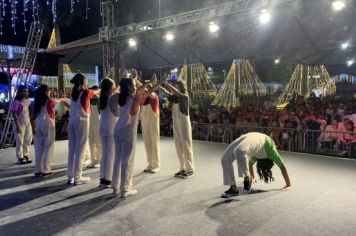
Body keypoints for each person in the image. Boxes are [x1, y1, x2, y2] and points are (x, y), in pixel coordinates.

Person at [221, 132, 291, 198]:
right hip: (261, 139)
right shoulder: (271, 151)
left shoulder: (258, 154)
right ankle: (236, 187)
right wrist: (288, 184)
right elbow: (282, 167)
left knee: (233, 154)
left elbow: (250, 164)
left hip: (253, 136)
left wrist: (288, 185)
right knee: (226, 158)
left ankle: (237, 185)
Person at [66, 73, 100, 185]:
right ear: (83, 82)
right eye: (86, 81)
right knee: (80, 149)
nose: (87, 83)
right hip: (82, 121)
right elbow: (96, 91)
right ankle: (78, 176)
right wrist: (101, 87)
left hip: (72, 122)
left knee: (72, 149)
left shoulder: (73, 94)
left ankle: (70, 175)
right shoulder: (85, 92)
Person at [159, 80, 195, 179]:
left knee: (186, 145)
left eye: (177, 86)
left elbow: (177, 93)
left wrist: (167, 84)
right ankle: (182, 167)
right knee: (178, 145)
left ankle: (190, 169)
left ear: (181, 87)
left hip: (184, 123)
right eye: (175, 86)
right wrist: (157, 85)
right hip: (176, 122)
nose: (175, 88)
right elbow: (166, 92)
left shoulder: (184, 96)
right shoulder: (175, 99)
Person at [31, 84, 67, 177]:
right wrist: (63, 99)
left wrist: (33, 128)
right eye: (49, 91)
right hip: (48, 125)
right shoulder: (49, 101)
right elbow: (57, 101)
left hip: (37, 125)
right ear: (46, 92)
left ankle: (37, 170)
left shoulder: (35, 103)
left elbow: (31, 116)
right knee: (49, 147)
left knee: (38, 148)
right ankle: (46, 170)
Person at [99, 79, 118, 188]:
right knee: (111, 153)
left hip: (103, 127)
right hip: (111, 127)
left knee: (105, 153)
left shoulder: (103, 97)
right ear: (110, 87)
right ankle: (108, 178)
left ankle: (103, 177)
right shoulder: (112, 97)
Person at [141, 73, 160, 173]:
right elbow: (142, 92)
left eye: (149, 86)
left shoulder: (154, 95)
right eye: (146, 86)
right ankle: (150, 163)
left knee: (154, 141)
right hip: (144, 118)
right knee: (147, 141)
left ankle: (156, 164)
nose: (147, 87)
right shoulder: (143, 96)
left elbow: (149, 92)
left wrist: (153, 83)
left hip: (152, 117)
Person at [11, 85, 33, 164]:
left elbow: (29, 112)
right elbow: (14, 113)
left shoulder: (28, 101)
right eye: (24, 91)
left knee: (28, 138)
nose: (26, 93)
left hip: (27, 122)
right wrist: (17, 126)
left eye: (27, 91)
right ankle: (20, 157)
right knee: (20, 140)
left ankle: (26, 155)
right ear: (20, 92)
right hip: (19, 122)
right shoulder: (16, 102)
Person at [87, 85, 102, 168]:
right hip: (90, 122)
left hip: (98, 122)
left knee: (99, 142)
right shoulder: (89, 100)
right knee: (91, 142)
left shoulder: (100, 99)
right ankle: (93, 160)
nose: (93, 94)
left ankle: (100, 160)